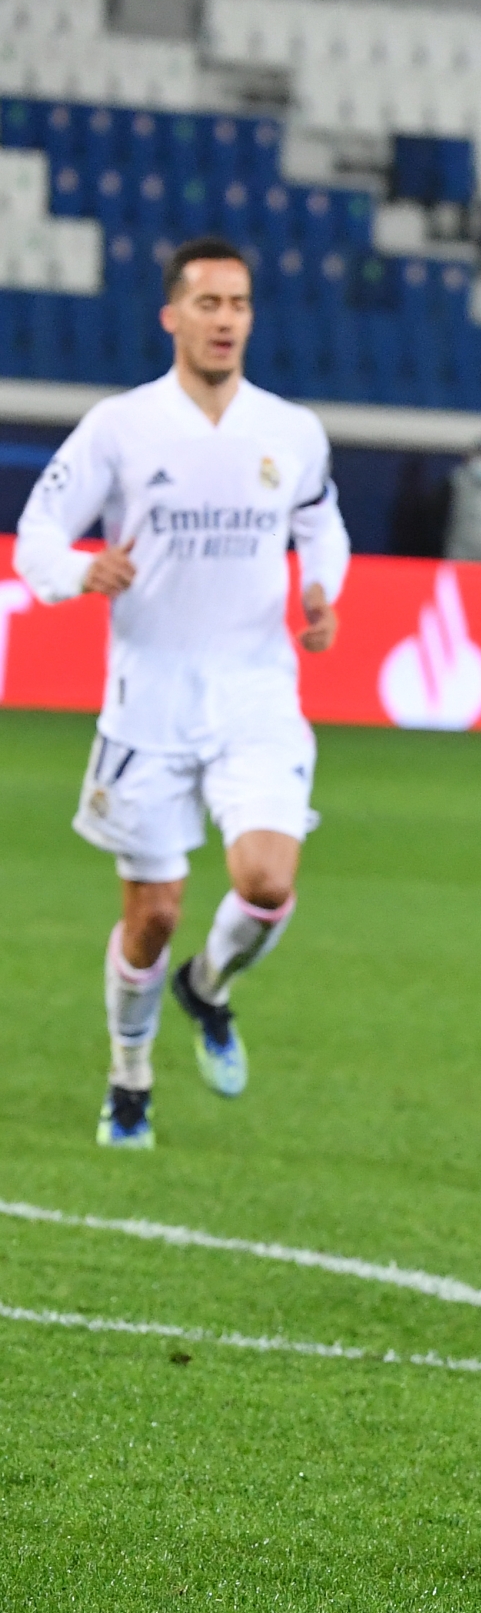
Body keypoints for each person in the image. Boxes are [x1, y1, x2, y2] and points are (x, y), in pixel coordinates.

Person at [13, 235, 349, 1149]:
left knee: (267, 880)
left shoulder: (290, 430)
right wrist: (78, 570)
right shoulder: (122, 427)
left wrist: (324, 593)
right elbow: (38, 531)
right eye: (208, 304)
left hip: (255, 692)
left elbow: (323, 527)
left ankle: (210, 987)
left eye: (238, 305)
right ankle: (130, 1078)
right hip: (149, 702)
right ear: (172, 316)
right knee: (153, 915)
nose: (225, 320)